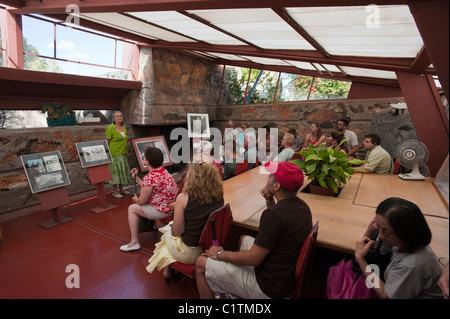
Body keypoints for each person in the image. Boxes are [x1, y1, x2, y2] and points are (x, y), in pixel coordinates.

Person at [195, 161, 312, 299]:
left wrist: (220, 254)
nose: (268, 177)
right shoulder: (303, 208)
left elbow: (254, 259)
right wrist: (269, 200)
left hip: (268, 287)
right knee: (242, 239)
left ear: (276, 185)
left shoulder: (273, 215)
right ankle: (233, 286)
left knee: (200, 264)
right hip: (284, 276)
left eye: (270, 176)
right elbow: (277, 227)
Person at [146, 154, 224, 283]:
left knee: (165, 236)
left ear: (191, 175)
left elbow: (178, 232)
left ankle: (167, 271)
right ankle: (168, 270)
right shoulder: (219, 195)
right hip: (208, 247)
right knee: (167, 232)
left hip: (190, 253)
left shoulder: (183, 198)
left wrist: (171, 227)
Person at [354, 197, 443, 299]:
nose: (381, 235)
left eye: (387, 232)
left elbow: (385, 295)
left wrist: (360, 259)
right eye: (378, 227)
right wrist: (370, 230)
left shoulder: (411, 265)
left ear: (407, 232)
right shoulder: (404, 241)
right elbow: (380, 252)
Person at [120, 147, 178, 252]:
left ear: (147, 161)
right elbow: (150, 187)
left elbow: (142, 201)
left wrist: (135, 199)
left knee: (132, 208)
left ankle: (134, 242)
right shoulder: (164, 172)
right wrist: (136, 178)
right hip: (170, 207)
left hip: (161, 211)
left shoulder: (150, 177)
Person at [106, 111, 133, 198]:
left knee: (122, 171)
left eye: (120, 116)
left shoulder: (123, 127)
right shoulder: (110, 128)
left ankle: (121, 189)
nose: (119, 118)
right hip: (115, 153)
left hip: (123, 153)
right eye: (117, 116)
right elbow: (107, 142)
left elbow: (126, 138)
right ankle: (115, 191)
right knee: (116, 173)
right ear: (113, 118)